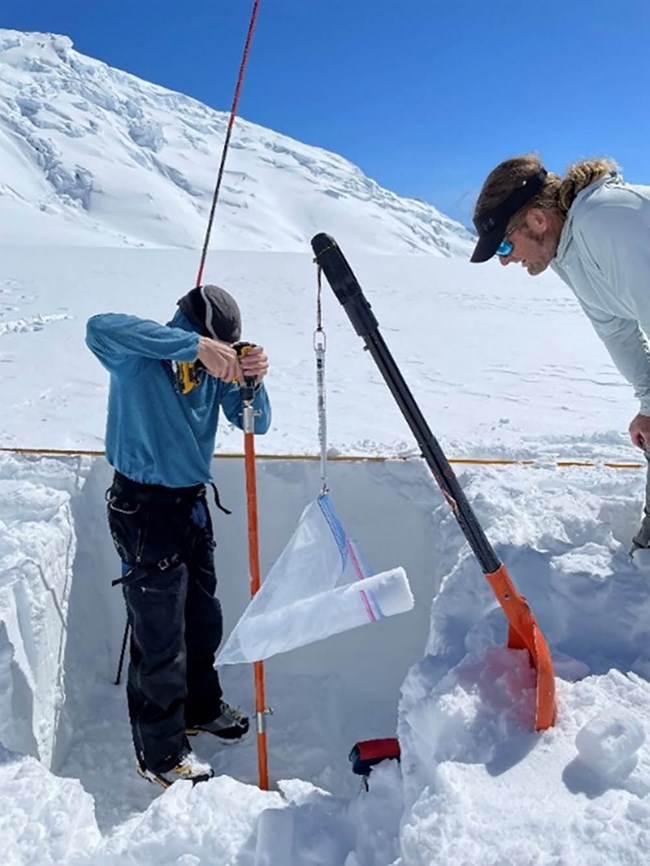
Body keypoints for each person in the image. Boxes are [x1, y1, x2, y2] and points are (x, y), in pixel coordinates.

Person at [86, 284, 271, 787]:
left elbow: (256, 424)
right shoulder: (139, 357)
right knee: (159, 634)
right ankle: (160, 754)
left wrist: (252, 379)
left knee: (201, 618)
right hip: (142, 507)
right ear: (193, 331)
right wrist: (194, 348)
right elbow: (99, 325)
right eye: (212, 345)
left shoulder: (217, 369)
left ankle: (200, 706)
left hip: (190, 504)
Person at [469, 154, 650, 550]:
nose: (504, 260)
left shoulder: (606, 219)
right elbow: (617, 330)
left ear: (537, 220)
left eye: (504, 243)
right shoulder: (571, 253)